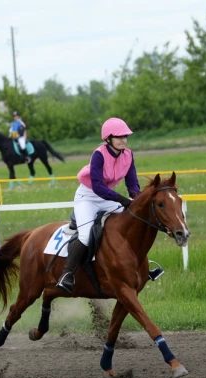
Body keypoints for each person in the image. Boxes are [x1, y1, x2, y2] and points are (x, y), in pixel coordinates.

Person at [56, 117, 163, 293]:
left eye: (125, 136)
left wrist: (136, 201)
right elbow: (97, 186)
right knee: (85, 236)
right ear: (108, 138)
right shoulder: (98, 155)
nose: (123, 140)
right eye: (119, 137)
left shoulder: (128, 155)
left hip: (107, 197)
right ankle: (67, 274)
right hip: (88, 197)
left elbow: (132, 184)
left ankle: (143, 266)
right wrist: (122, 201)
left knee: (133, 222)